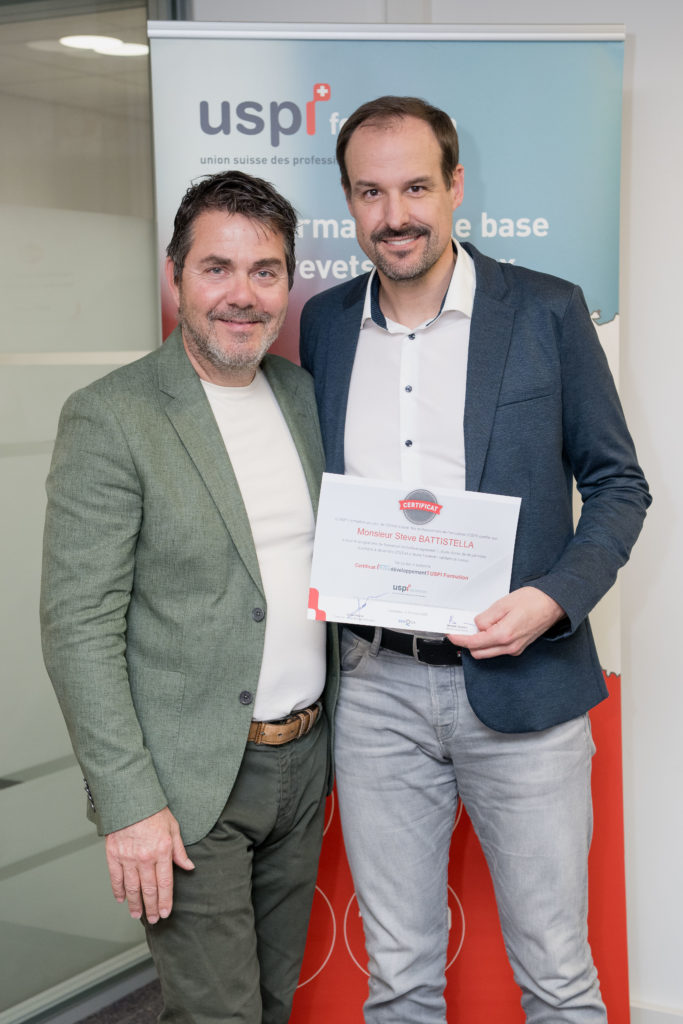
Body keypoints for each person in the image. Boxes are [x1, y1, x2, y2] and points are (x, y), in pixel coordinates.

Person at [300, 96, 650, 1023]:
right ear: (348, 201)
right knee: (398, 977)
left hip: (525, 685)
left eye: (415, 187)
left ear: (455, 186)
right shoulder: (325, 324)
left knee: (558, 976)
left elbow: (618, 484)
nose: (394, 215)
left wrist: (553, 599)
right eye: (370, 193)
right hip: (375, 692)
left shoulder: (545, 309)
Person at [41, 170, 338, 1024]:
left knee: (274, 1001)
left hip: (304, 762)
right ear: (176, 277)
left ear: (286, 283)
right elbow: (77, 626)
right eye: (217, 268)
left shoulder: (304, 397)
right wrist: (129, 805)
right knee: (218, 1014)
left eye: (265, 271)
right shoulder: (113, 415)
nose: (242, 295)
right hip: (187, 782)